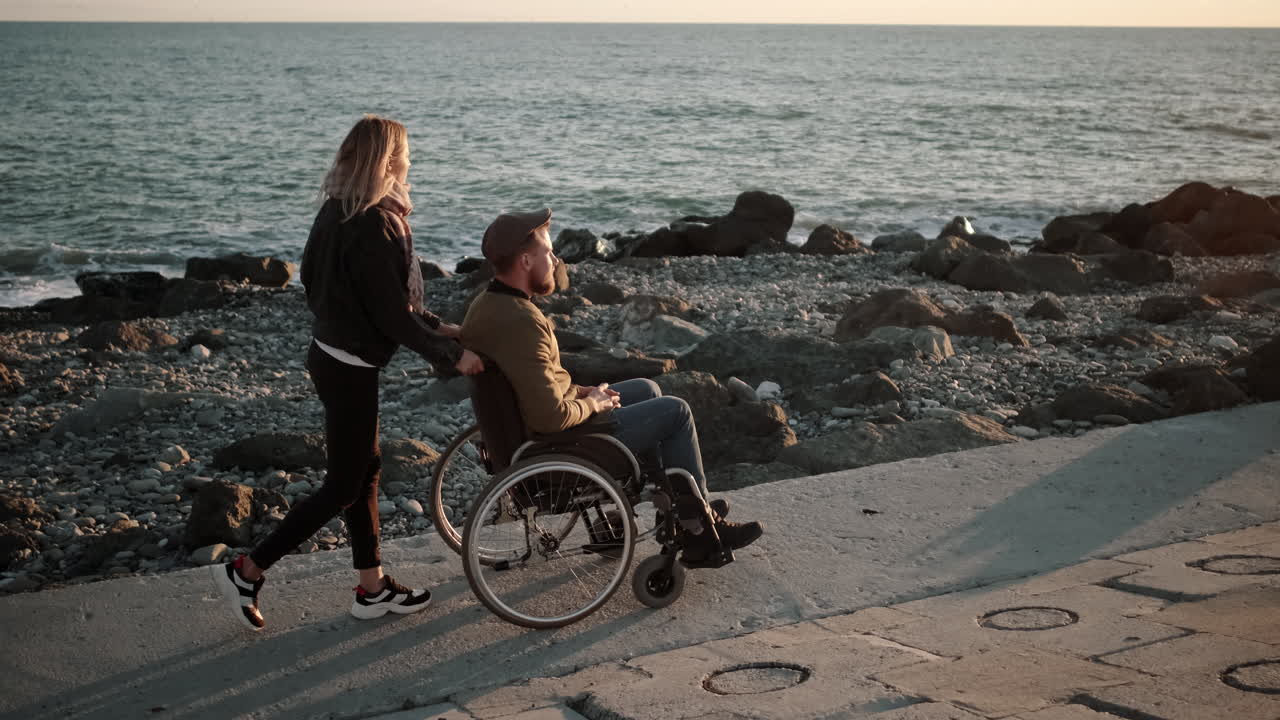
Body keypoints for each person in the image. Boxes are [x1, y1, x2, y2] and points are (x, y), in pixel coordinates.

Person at [211, 115, 484, 631]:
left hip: (331, 355)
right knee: (343, 485)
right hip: (348, 366)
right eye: (404, 153)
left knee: (365, 472)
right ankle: (246, 570)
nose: (410, 161)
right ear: (387, 160)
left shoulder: (337, 210)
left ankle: (372, 587)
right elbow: (388, 313)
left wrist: (436, 325)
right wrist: (451, 356)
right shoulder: (375, 222)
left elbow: (327, 286)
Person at [460, 209, 763, 565]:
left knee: (646, 389)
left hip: (525, 435)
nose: (556, 260)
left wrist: (584, 391)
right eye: (549, 252)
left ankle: (683, 504)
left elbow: (531, 380)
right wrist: (595, 404)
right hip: (558, 447)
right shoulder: (523, 322)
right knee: (675, 412)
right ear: (526, 261)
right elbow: (550, 416)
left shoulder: (486, 304)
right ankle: (698, 528)